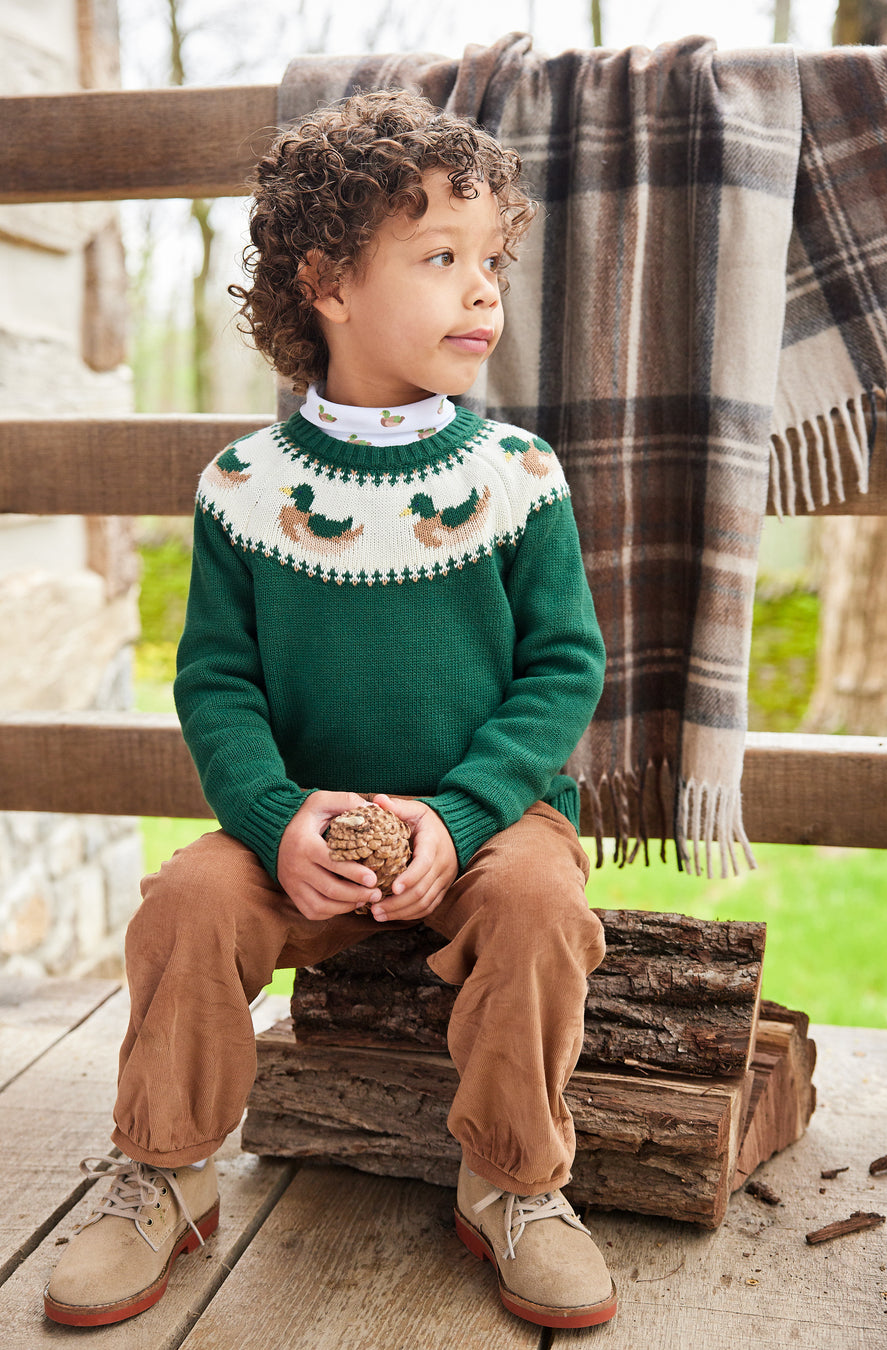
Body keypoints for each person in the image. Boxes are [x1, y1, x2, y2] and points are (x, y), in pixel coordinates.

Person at [44, 89, 615, 1331]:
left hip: (487, 819)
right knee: (185, 903)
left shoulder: (515, 478)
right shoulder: (246, 487)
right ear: (328, 283)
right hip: (298, 825)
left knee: (540, 907)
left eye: (493, 262)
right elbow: (217, 680)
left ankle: (513, 1183)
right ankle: (167, 1169)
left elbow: (564, 668)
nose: (483, 293)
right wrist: (273, 816)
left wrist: (462, 820)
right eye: (441, 258)